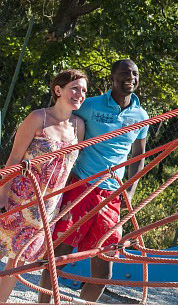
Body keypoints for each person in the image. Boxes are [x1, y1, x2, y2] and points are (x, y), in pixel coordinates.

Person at [40, 59, 149, 303]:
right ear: (113, 78)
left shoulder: (141, 115)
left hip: (111, 195)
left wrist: (129, 193)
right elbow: (64, 122)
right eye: (124, 73)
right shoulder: (90, 105)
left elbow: (138, 158)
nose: (130, 77)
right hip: (80, 186)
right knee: (61, 254)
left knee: (104, 265)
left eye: (134, 73)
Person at [0, 70, 87, 303]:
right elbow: (14, 159)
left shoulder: (78, 127)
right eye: (75, 88)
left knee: (18, 260)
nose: (80, 94)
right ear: (58, 90)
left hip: (46, 206)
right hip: (19, 199)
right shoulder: (38, 118)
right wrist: (2, 197)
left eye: (84, 91)